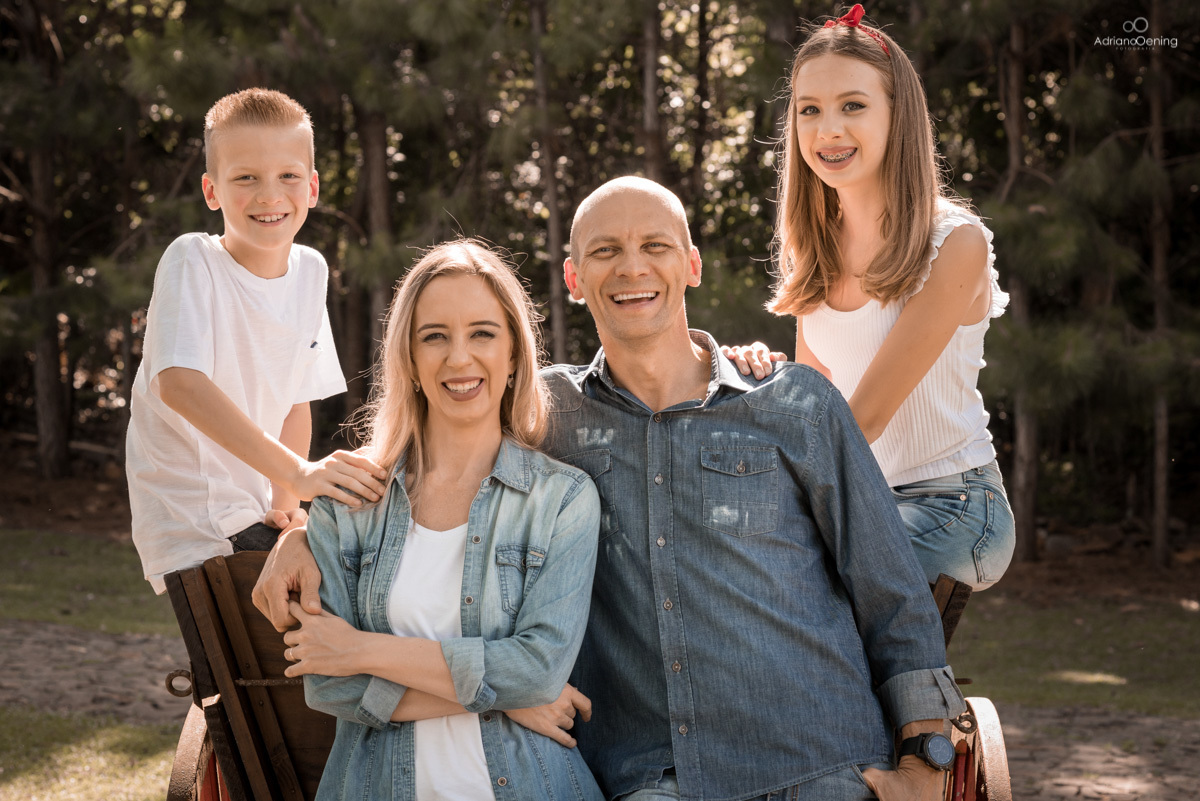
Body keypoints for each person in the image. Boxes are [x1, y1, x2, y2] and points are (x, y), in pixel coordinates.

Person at [255, 177, 965, 801]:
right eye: (605, 250)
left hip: (820, 768)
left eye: (655, 245)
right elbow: (435, 443)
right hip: (655, 777)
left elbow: (892, 591)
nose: (632, 267)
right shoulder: (546, 414)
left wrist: (926, 761)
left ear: (691, 264)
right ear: (573, 276)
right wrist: (306, 532)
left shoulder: (793, 404)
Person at [280, 239, 604, 801]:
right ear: (408, 359)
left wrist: (361, 650)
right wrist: (504, 698)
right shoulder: (348, 503)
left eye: (482, 333)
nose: (459, 359)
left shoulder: (562, 499)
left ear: (513, 354)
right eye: (434, 336)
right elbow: (328, 685)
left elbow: (537, 671)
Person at [726, 4, 1015, 590]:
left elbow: (864, 418)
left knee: (789, 581)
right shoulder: (816, 250)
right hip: (862, 503)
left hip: (955, 505)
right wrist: (754, 376)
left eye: (853, 105)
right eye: (810, 110)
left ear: (897, 114)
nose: (828, 129)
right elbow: (813, 407)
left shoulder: (954, 243)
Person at [126, 88, 387, 594]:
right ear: (212, 191)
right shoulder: (192, 259)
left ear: (312, 187)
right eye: (246, 178)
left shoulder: (310, 271)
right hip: (199, 521)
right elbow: (178, 383)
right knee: (344, 598)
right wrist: (299, 472)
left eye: (288, 176)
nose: (270, 196)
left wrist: (286, 509)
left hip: (253, 513)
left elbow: (295, 404)